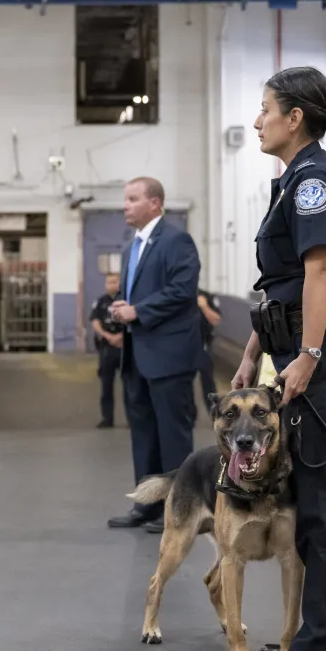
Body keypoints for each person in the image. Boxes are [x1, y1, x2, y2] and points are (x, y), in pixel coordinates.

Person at [232, 66, 326, 651]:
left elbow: (319, 274)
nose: (257, 119)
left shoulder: (313, 180)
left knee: (325, 506)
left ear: (296, 118)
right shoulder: (293, 180)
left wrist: (309, 355)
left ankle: (319, 650)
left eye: (265, 109)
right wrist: (255, 349)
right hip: (303, 353)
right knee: (316, 501)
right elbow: (283, 285)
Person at [104, 177, 204, 530]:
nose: (125, 206)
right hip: (137, 354)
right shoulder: (131, 247)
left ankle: (179, 510)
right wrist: (122, 309)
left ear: (155, 203)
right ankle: (146, 505)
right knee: (143, 432)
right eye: (125, 199)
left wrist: (139, 311)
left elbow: (182, 290)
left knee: (172, 436)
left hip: (169, 355)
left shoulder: (176, 241)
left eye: (133, 199)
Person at [89, 272, 125, 429]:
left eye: (115, 282)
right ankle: (107, 418)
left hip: (124, 347)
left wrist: (121, 337)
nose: (112, 285)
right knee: (106, 386)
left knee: (131, 387)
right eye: (109, 282)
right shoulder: (100, 302)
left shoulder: (126, 301)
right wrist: (108, 336)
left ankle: (133, 418)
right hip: (107, 349)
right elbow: (95, 322)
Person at [196, 288, 222, 413]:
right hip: (181, 349)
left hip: (203, 347)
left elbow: (216, 320)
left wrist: (204, 307)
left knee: (208, 383)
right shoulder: (176, 295)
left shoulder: (205, 296)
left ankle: (214, 412)